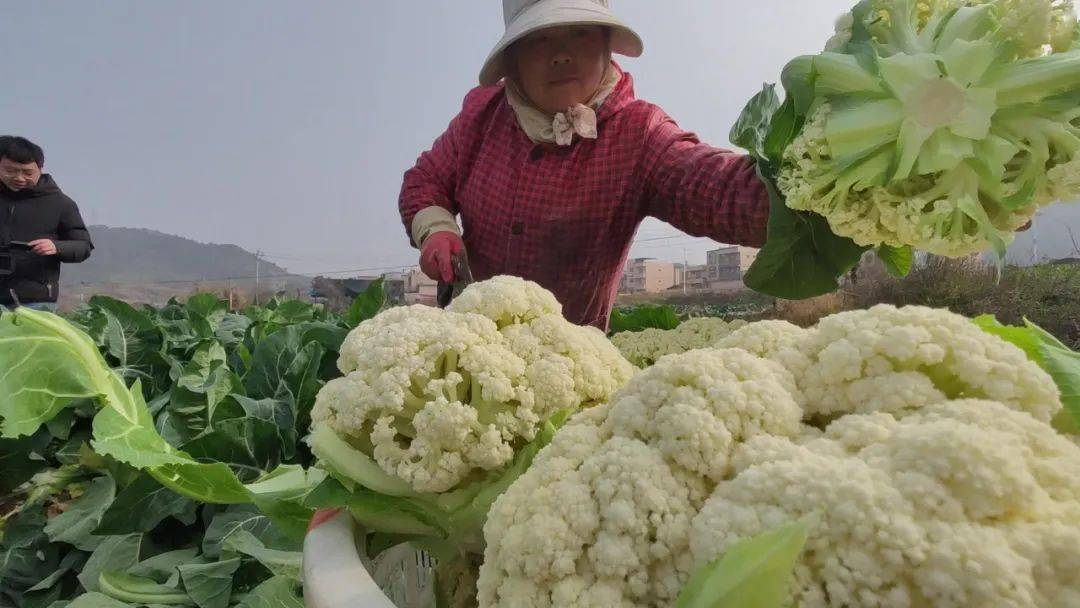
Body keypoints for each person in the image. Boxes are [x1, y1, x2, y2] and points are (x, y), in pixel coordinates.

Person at [399, 0, 769, 329]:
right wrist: (436, 229)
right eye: (541, 38)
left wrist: (804, 184)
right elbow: (425, 180)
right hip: (472, 340)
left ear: (607, 45)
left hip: (573, 365)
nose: (561, 54)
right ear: (512, 59)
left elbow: (716, 189)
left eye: (579, 33)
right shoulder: (480, 117)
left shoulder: (639, 133)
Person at [0, 136, 93, 312]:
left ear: (40, 169)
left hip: (35, 302)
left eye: (28, 173)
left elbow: (83, 246)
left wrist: (56, 247)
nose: (19, 178)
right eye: (10, 171)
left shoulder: (60, 203)